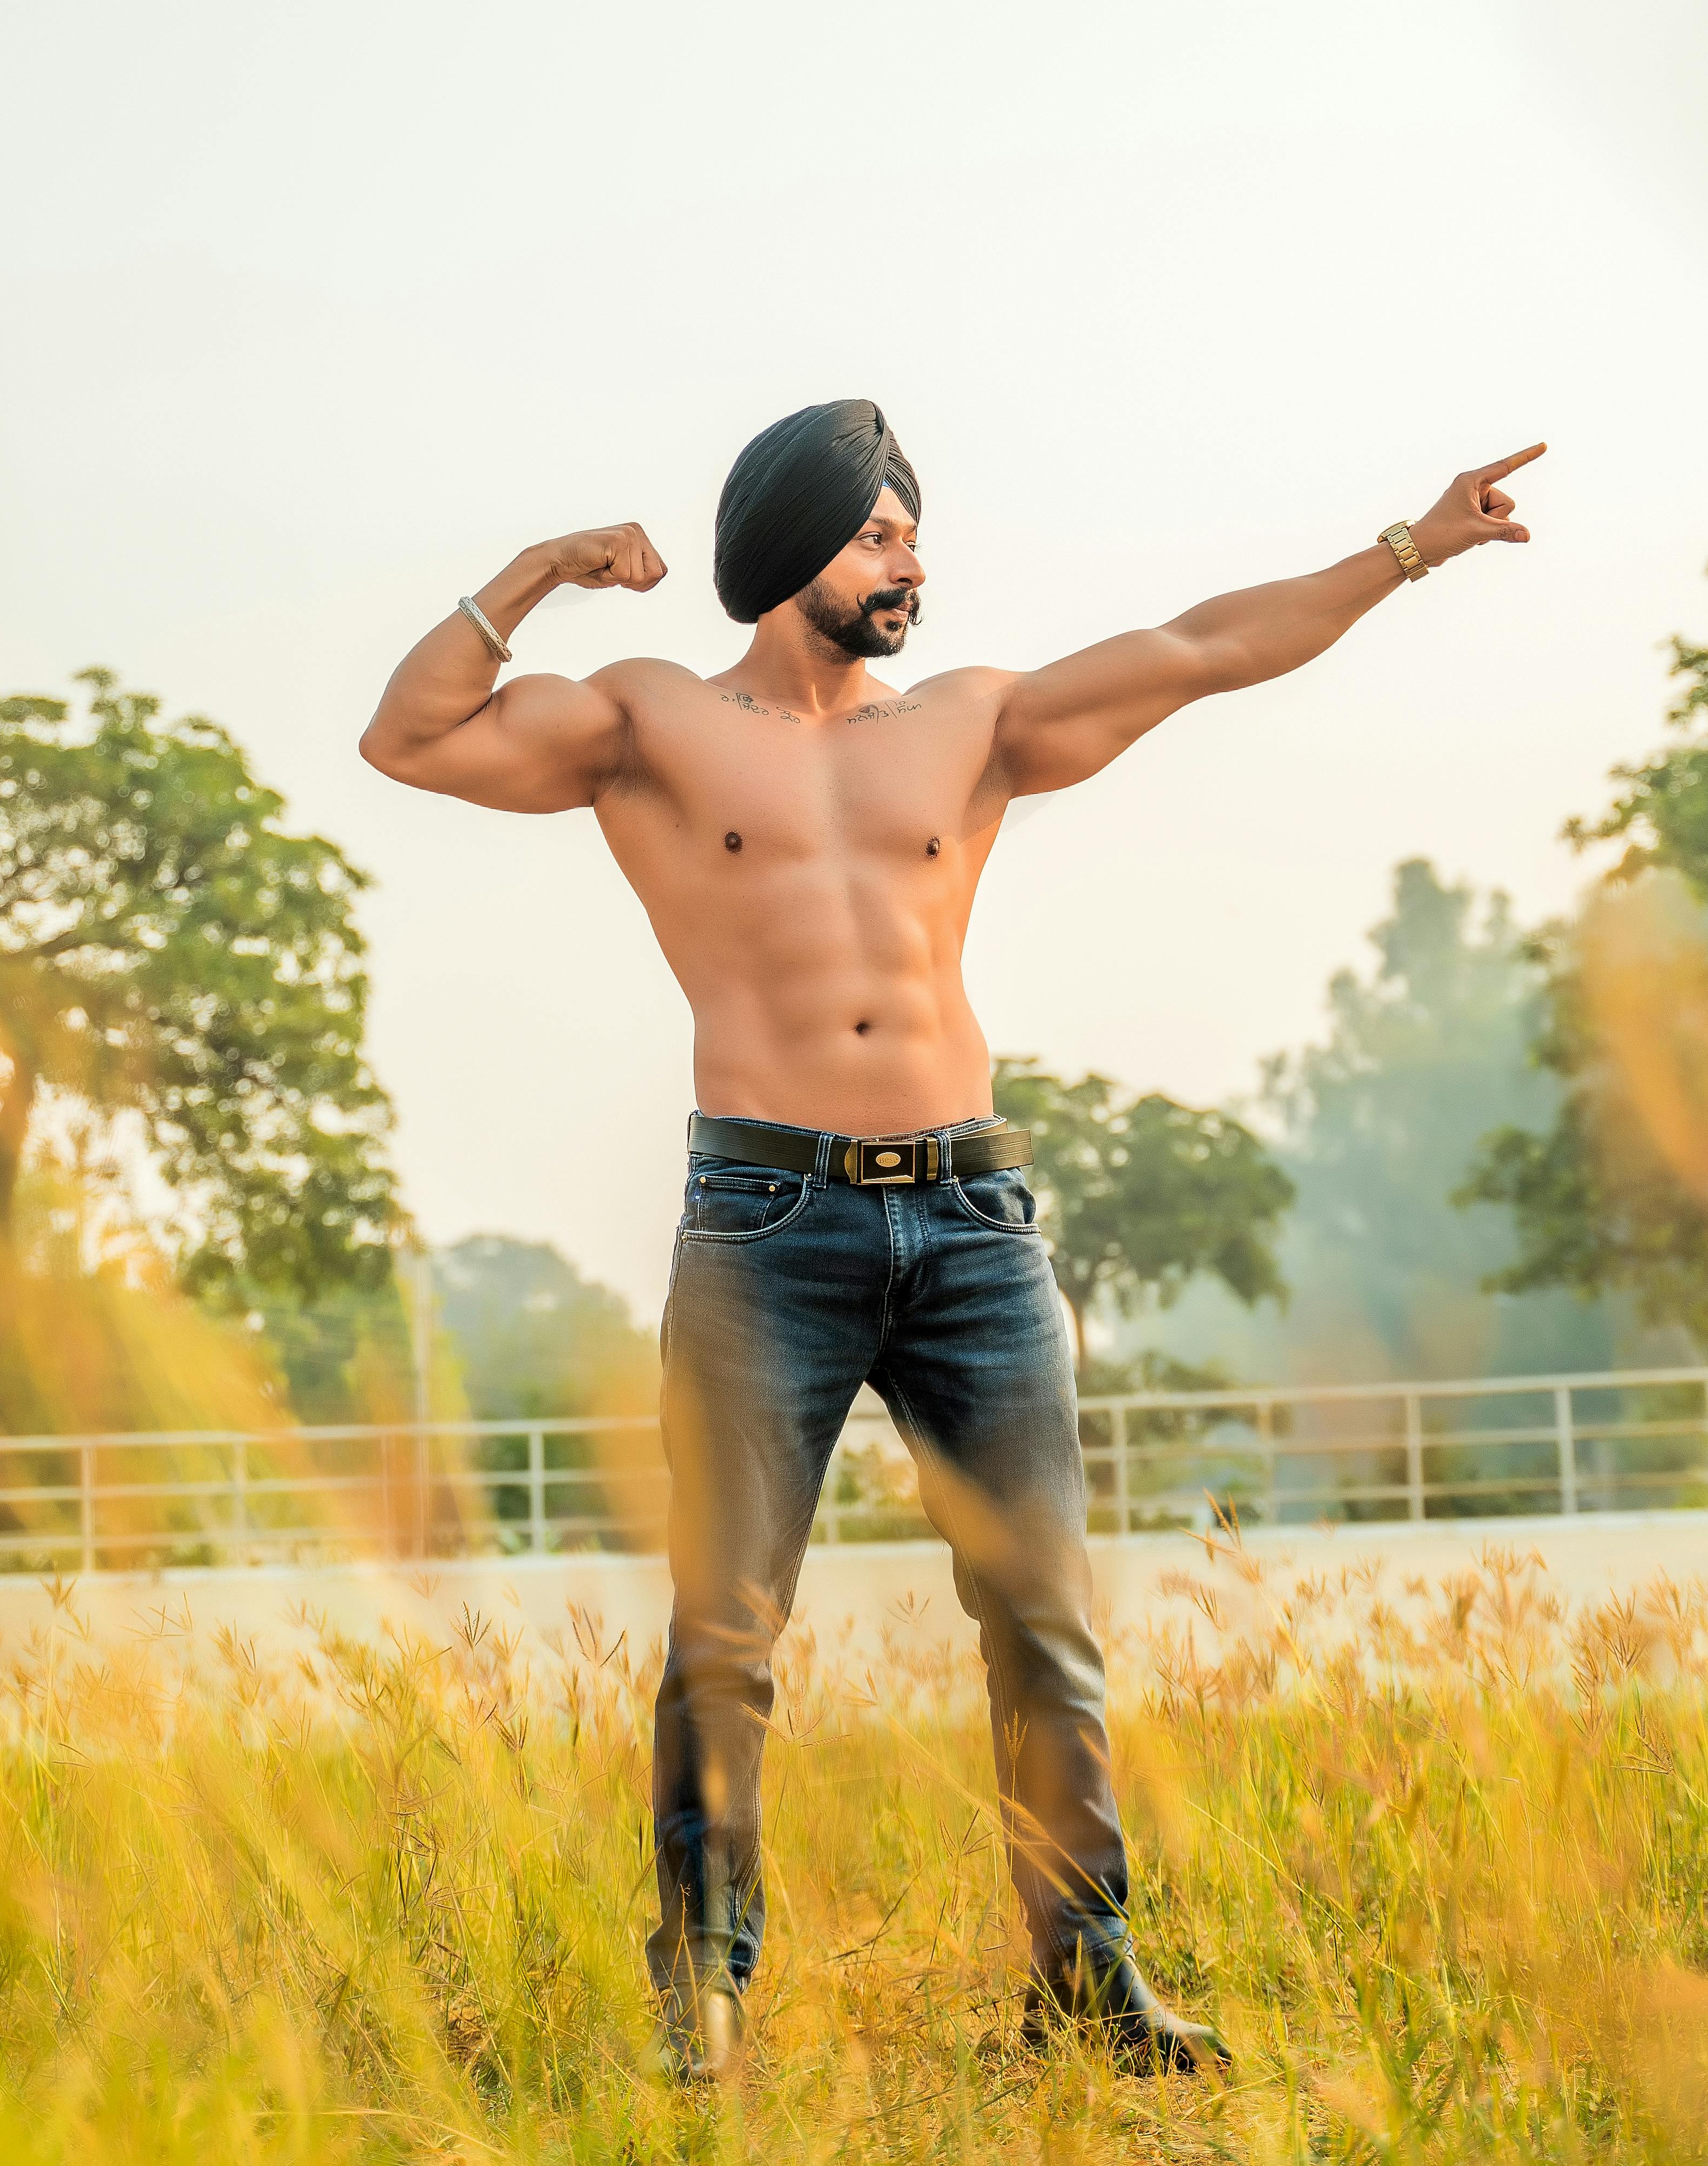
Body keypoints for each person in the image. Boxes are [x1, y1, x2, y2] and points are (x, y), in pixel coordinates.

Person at [361, 402, 1542, 2079]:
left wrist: (1409, 549)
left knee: (1042, 1620)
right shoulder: (647, 719)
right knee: (724, 1632)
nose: (911, 563)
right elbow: (409, 737)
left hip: (977, 1219)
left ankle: (1087, 1982)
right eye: (879, 535)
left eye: (913, 533)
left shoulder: (971, 721)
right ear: (792, 548)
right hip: (766, 1221)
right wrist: (545, 567)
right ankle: (704, 1990)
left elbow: (1205, 649)